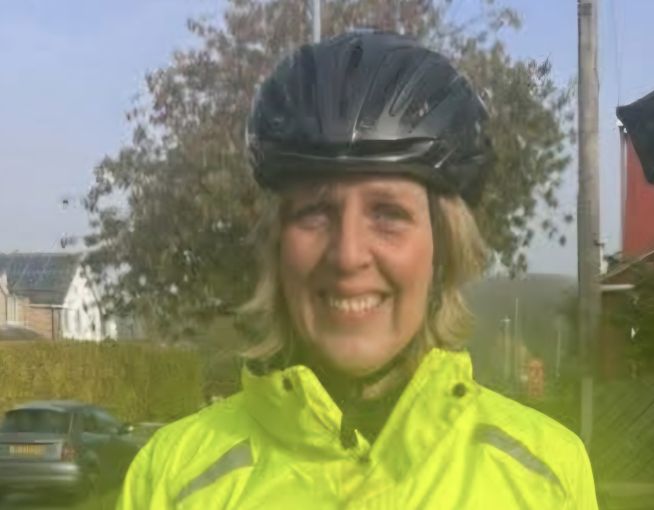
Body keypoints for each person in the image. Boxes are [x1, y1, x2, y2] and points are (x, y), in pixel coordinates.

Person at [117, 30, 598, 509]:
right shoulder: (172, 479)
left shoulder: (547, 476)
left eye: (388, 214)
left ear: (443, 250)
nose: (347, 256)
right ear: (277, 248)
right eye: (314, 213)